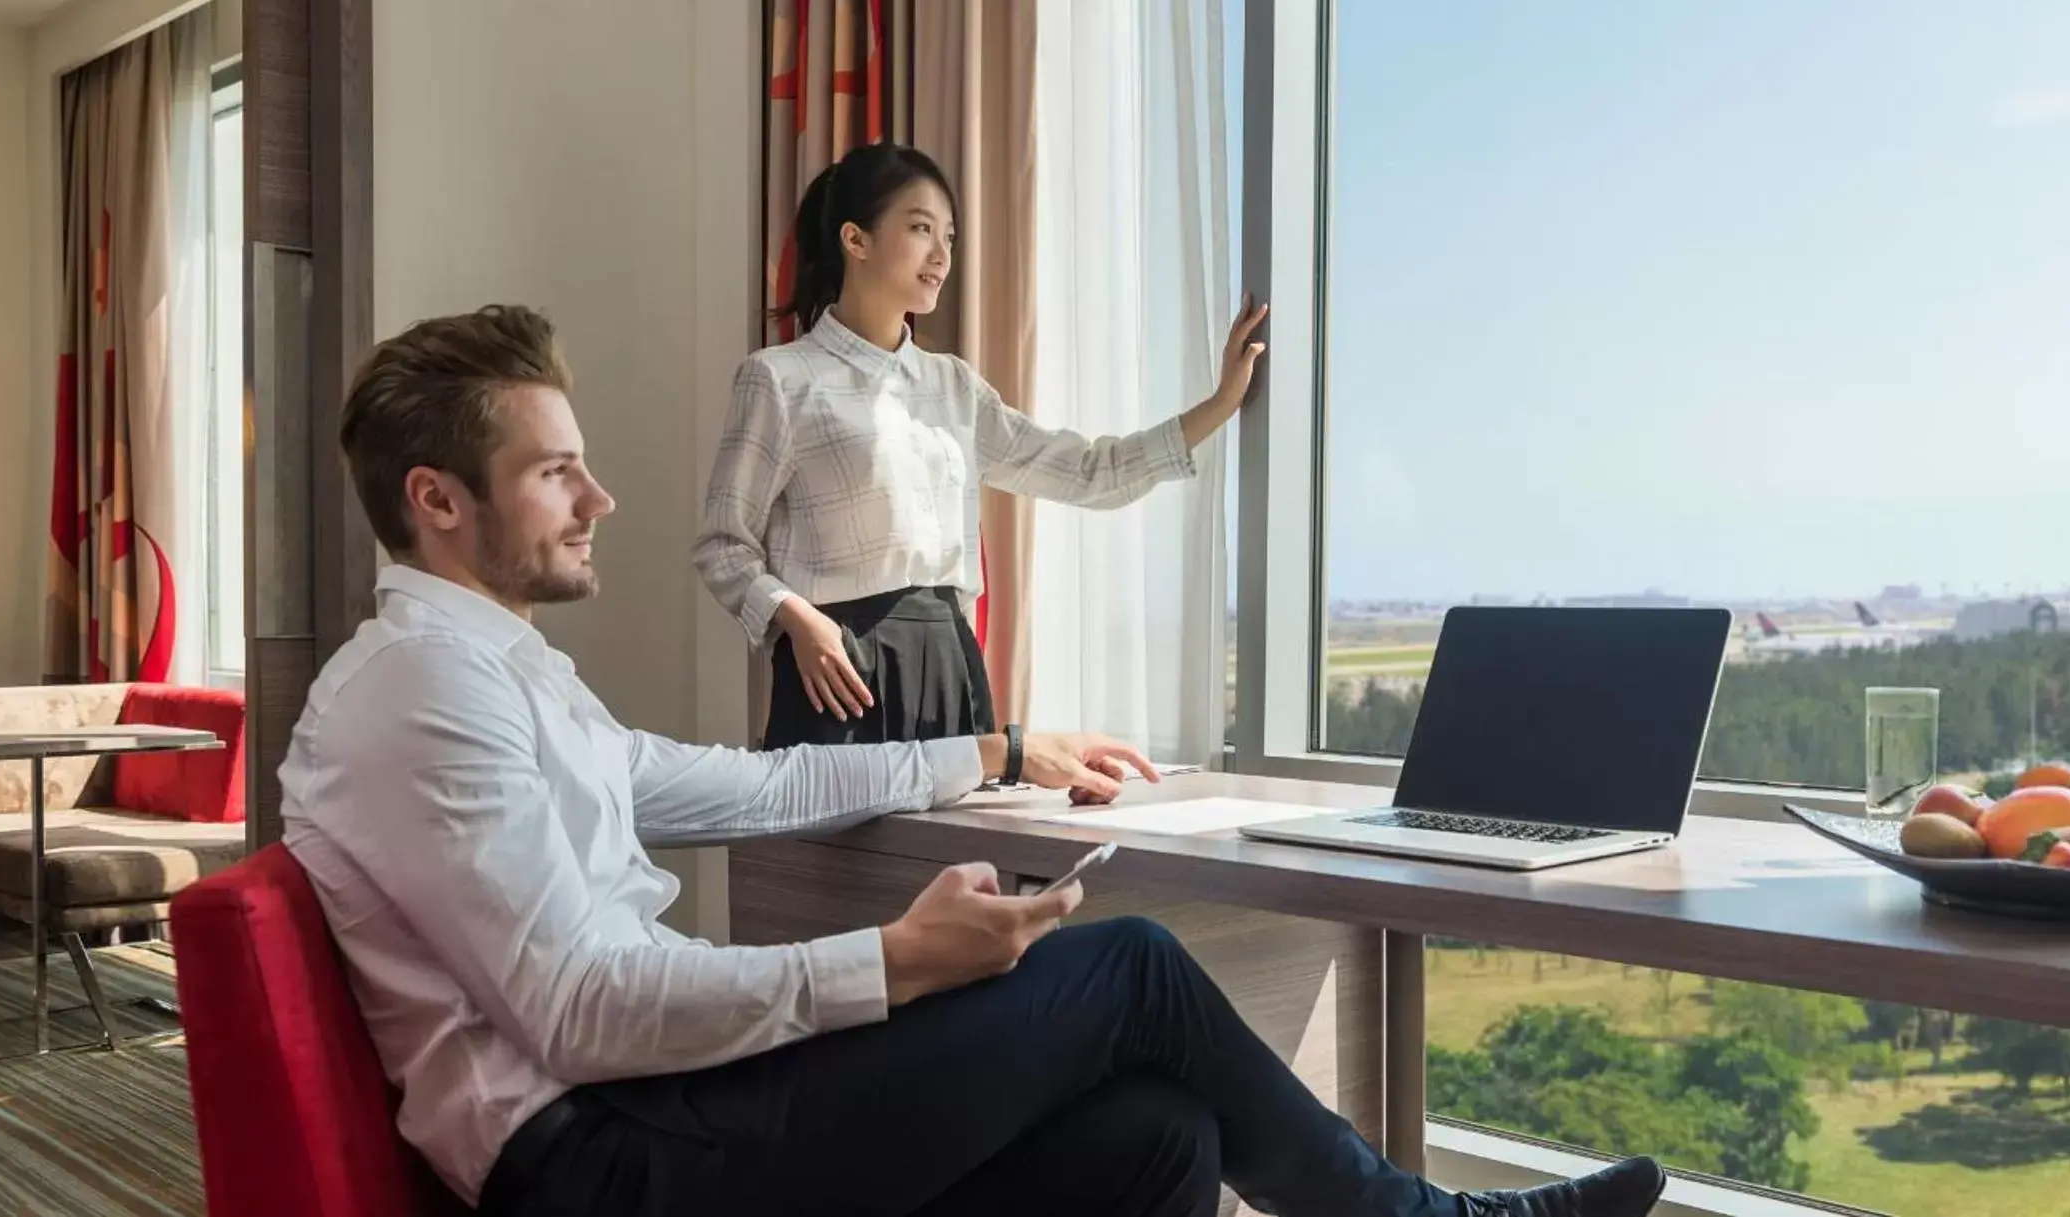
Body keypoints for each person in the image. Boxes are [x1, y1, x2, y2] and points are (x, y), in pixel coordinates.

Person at [281, 304, 1668, 1217]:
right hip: (596, 1164)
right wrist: (896, 959)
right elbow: (580, 1010)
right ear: (438, 500)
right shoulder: (423, 688)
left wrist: (995, 745)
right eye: (556, 474)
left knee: (1158, 1136)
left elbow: (756, 785)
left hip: (647, 1111)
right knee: (1126, 968)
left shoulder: (499, 672)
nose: (602, 499)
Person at [694, 141, 1268, 750]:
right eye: (920, 229)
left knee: (954, 849)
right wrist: (795, 616)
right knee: (831, 848)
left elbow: (1089, 472)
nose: (941, 254)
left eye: (950, 236)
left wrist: (1220, 405)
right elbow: (723, 545)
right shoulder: (780, 379)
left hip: (949, 662)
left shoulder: (955, 387)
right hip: (838, 670)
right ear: (855, 240)